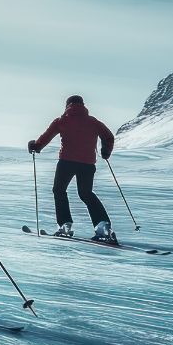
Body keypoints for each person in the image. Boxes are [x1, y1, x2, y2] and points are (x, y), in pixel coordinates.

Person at [28, 95, 117, 242]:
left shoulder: (62, 120)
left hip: (66, 162)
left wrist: (35, 146)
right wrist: (106, 151)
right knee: (86, 193)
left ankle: (65, 226)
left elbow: (47, 136)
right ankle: (103, 227)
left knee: (59, 190)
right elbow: (108, 137)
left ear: (67, 105)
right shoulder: (93, 121)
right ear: (83, 105)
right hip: (88, 164)